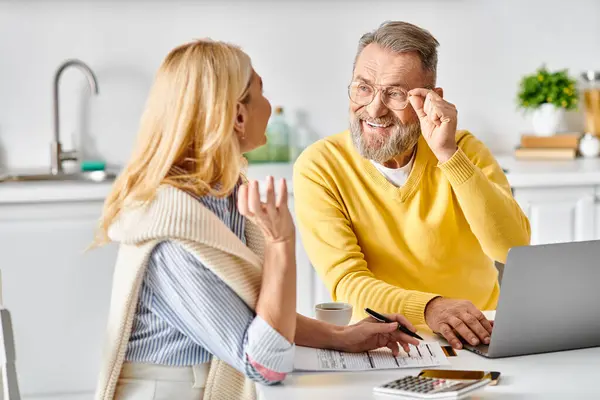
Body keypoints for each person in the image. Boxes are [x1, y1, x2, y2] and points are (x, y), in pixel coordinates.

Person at [91, 39, 419, 400]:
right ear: (238, 116)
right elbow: (265, 363)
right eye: (260, 92)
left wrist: (343, 336)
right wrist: (281, 244)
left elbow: (251, 318)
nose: (268, 104)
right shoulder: (171, 230)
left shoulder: (222, 195)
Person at [293, 21, 531, 351]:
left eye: (395, 94)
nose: (374, 108)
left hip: (477, 333)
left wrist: (448, 154)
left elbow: (513, 248)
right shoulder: (321, 165)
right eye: (363, 88)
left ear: (432, 99)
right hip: (381, 340)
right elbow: (347, 283)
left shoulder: (463, 150)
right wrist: (431, 307)